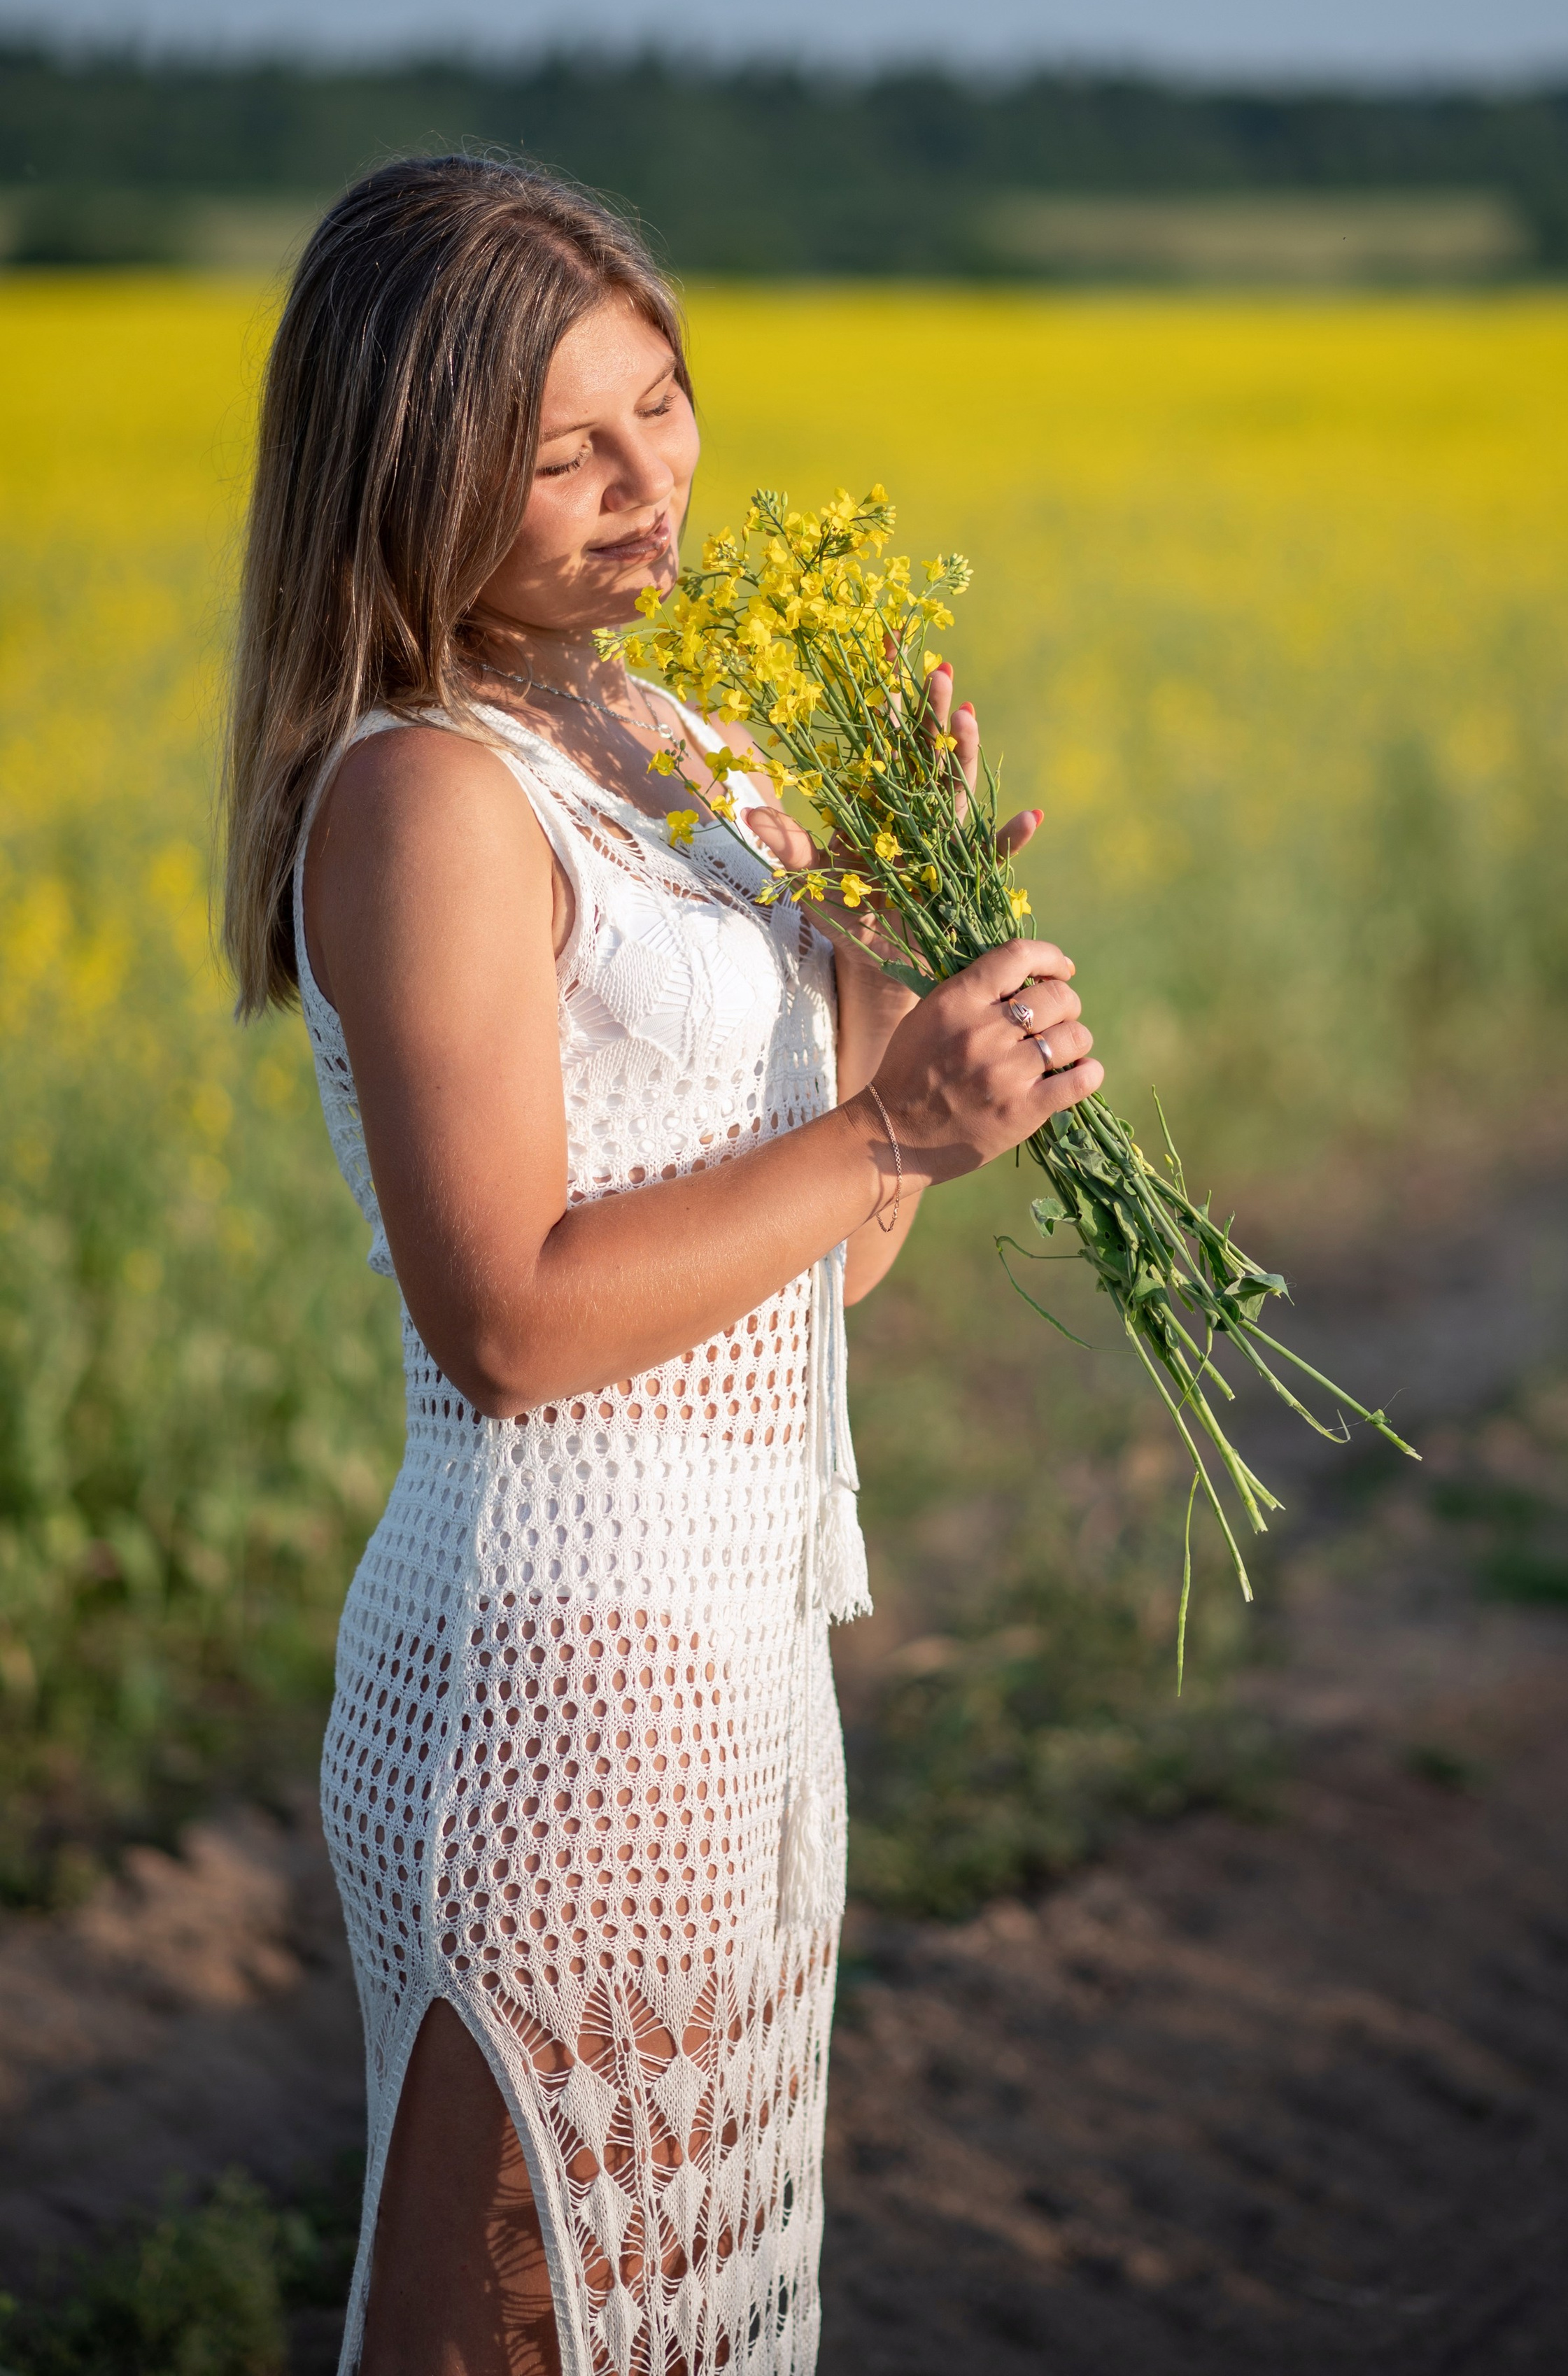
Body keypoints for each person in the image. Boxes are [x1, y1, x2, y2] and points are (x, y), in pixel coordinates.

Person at [223, 155, 1101, 2376]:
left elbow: (829, 1276)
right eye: (563, 453)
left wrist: (897, 966)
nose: (652, 487)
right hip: (547, 1698)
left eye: (666, 404)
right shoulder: (425, 794)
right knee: (518, 2332)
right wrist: (888, 1117)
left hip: (738, 1690)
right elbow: (509, 1321)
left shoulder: (685, 755)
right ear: (416, 479)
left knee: (687, 2328)